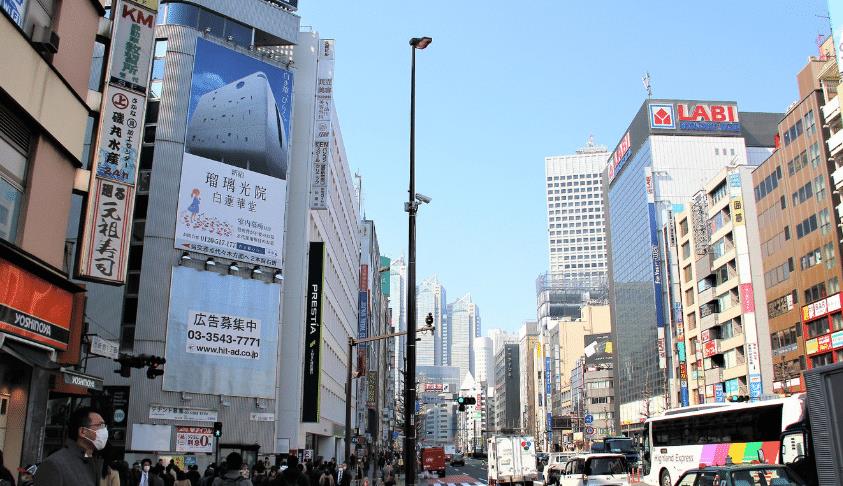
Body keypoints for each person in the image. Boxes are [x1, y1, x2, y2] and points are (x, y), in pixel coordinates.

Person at [35, 407, 108, 486]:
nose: (104, 431)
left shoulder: (94, 463)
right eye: (100, 425)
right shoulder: (54, 465)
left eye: (104, 426)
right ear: (83, 431)